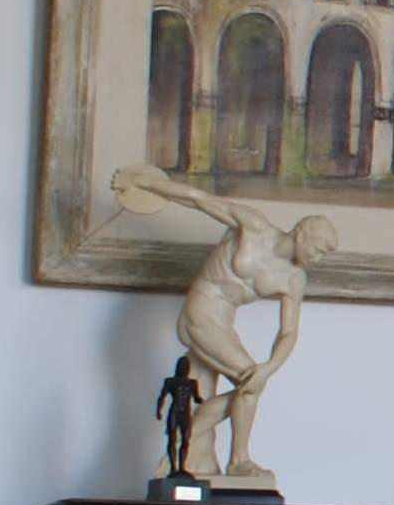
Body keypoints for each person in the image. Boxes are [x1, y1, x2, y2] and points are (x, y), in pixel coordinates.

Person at [107, 164, 337, 488]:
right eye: (318, 249)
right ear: (302, 233)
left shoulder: (294, 278)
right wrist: (146, 183)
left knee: (239, 383)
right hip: (201, 310)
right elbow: (198, 199)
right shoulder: (255, 227)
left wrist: (269, 367)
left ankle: (189, 447)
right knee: (249, 382)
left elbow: (289, 332)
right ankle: (239, 460)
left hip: (223, 320)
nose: (318, 258)